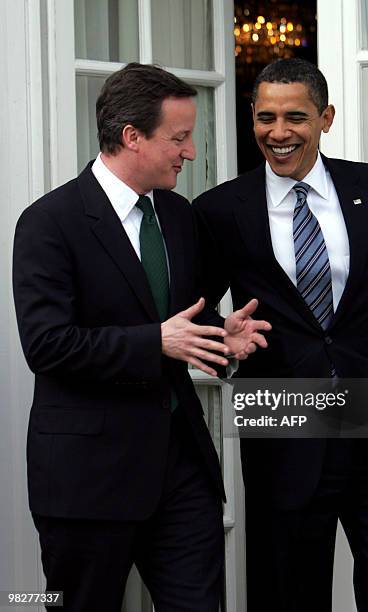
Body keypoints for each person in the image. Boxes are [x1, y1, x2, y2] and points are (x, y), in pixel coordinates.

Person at [193, 58, 368, 612]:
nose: (278, 132)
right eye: (265, 117)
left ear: (326, 118)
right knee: (290, 595)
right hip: (283, 420)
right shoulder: (220, 209)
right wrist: (223, 341)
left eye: (295, 116)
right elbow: (195, 318)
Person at [12, 62, 270, 612]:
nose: (191, 152)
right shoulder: (48, 222)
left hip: (182, 473)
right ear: (132, 137)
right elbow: (47, 345)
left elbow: (183, 326)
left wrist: (220, 338)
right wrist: (154, 342)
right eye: (179, 138)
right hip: (88, 480)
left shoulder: (180, 217)